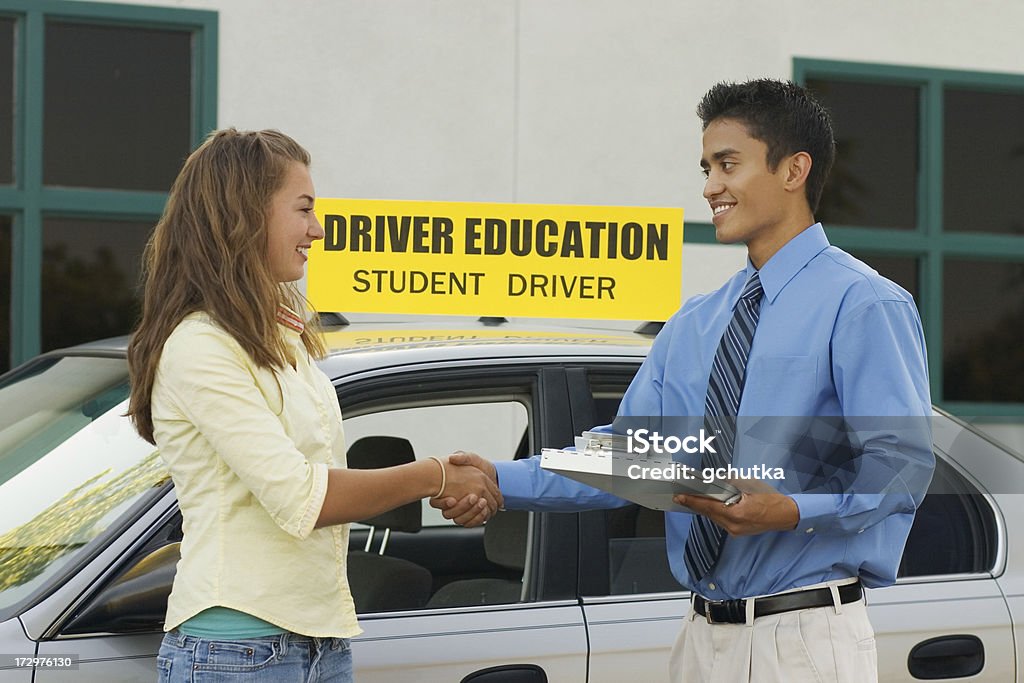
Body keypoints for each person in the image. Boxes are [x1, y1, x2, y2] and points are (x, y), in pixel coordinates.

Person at [435, 79, 933, 682]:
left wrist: (788, 511)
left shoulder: (864, 304)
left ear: (793, 170)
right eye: (705, 168)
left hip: (806, 641)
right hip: (699, 638)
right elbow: (630, 460)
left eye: (727, 165)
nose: (709, 188)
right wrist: (497, 477)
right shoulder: (695, 321)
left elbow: (901, 466)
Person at [127, 128, 501, 682]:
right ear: (245, 215)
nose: (317, 230)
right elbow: (303, 497)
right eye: (303, 209)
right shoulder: (200, 345)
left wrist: (445, 479)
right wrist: (436, 477)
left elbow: (320, 478)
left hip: (319, 644)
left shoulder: (281, 337)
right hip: (237, 653)